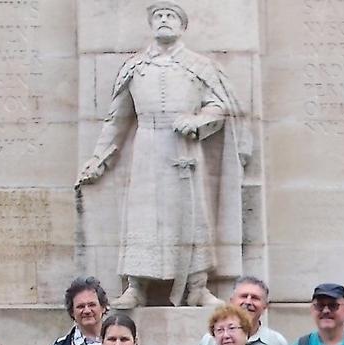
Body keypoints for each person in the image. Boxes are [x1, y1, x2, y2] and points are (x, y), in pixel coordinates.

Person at [77, 2, 249, 308]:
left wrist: (199, 122)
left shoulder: (199, 66)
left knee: (192, 215)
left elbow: (219, 106)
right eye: (159, 16)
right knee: (143, 218)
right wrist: (99, 159)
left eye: (171, 16)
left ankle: (197, 286)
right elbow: (117, 119)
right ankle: (137, 286)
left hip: (185, 150)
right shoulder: (135, 67)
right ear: (151, 24)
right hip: (147, 149)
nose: (165, 20)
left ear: (182, 26)